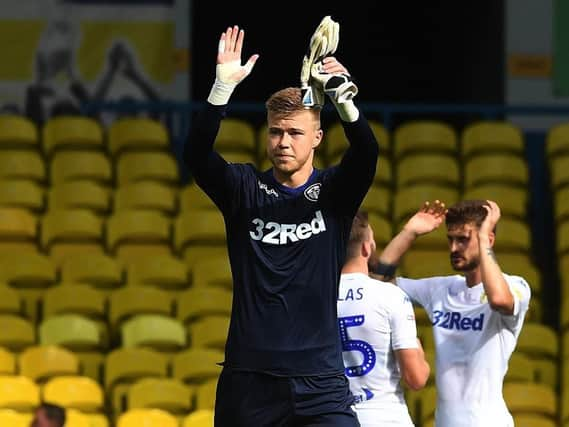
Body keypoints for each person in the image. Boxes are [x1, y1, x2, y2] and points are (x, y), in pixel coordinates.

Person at [184, 24, 379, 426]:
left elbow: (366, 153)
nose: (283, 142)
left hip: (320, 382)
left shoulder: (334, 194)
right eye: (275, 132)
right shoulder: (243, 189)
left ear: (318, 138)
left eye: (294, 133)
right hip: (249, 382)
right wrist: (221, 90)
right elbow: (196, 155)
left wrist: (343, 98)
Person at [373, 199, 531, 427]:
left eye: (463, 239)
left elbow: (498, 300)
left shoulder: (516, 286)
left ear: (489, 240)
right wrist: (409, 233)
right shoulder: (441, 289)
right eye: (451, 239)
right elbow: (377, 283)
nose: (454, 248)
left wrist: (484, 237)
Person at [338, 210, 430, 426]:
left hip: (335, 417)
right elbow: (416, 379)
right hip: (386, 417)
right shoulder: (391, 295)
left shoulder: (313, 300)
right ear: (366, 247)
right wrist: (419, 352)